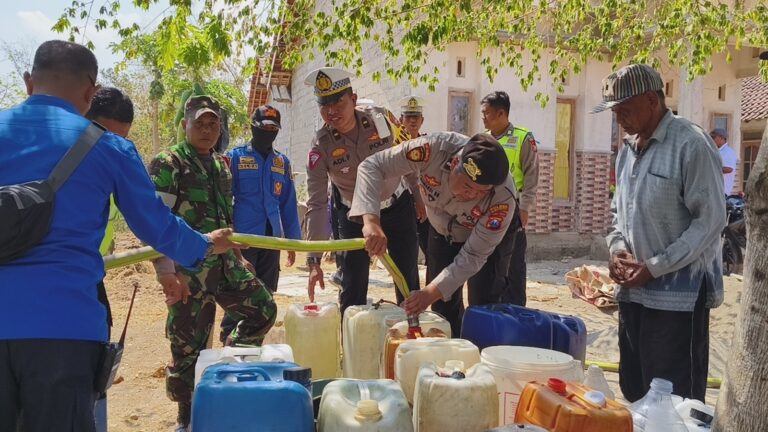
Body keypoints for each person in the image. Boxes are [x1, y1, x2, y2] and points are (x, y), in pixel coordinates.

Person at [0, 40, 242, 432]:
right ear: (90, 93)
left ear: (29, 82)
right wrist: (207, 243)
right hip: (64, 327)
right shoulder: (108, 148)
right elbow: (155, 225)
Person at [593, 63, 725, 402]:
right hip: (634, 296)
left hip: (678, 301)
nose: (619, 118)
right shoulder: (628, 151)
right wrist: (618, 250)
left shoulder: (691, 144)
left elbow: (710, 222)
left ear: (652, 99)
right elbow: (618, 212)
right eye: (614, 111)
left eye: (625, 109)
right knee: (635, 389)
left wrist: (655, 266)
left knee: (673, 399)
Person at [149, 95, 277, 432]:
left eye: (213, 123)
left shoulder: (221, 164)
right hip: (188, 270)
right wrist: (167, 273)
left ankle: (228, 369)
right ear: (185, 124)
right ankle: (186, 416)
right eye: (199, 123)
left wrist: (238, 256)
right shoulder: (169, 162)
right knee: (187, 344)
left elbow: (226, 216)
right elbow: (155, 221)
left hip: (225, 264)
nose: (207, 130)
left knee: (263, 309)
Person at [350, 132, 519, 335]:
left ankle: (482, 357)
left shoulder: (502, 198)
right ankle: (450, 358)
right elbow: (372, 165)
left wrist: (429, 293)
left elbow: (473, 256)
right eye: (467, 185)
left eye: (480, 192)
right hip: (442, 228)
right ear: (455, 162)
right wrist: (371, 220)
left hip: (485, 241)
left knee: (485, 306)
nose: (471, 195)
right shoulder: (432, 150)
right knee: (442, 306)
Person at [303, 67, 420, 314]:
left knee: (407, 280)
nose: (331, 111)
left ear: (354, 100)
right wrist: (313, 259)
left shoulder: (381, 119)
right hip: (353, 217)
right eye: (324, 105)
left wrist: (418, 196)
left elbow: (406, 155)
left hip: (396, 208)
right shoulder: (320, 145)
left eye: (338, 102)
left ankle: (410, 340)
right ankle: (350, 344)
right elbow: (316, 203)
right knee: (353, 284)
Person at [84, 85, 135, 429]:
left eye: (119, 140)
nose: (111, 148)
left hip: (91, 272)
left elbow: (143, 218)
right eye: (104, 135)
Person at [480, 90, 538, 306]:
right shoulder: (483, 139)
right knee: (489, 263)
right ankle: (492, 308)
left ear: (501, 114)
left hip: (513, 210)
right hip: (487, 210)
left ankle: (515, 311)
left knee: (513, 265)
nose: (483, 117)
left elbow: (532, 174)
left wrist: (525, 208)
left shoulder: (522, 137)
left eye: (486, 113)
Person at [399, 95, 432, 258]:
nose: (412, 121)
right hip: (400, 204)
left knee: (431, 250)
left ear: (422, 120)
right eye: (408, 117)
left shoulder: (429, 145)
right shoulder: (393, 145)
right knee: (404, 253)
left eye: (416, 117)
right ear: (401, 119)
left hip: (425, 203)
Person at [710, 127, 738, 195]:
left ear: (722, 138)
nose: (711, 140)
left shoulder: (728, 152)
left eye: (713, 137)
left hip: (722, 190)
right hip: (713, 189)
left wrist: (710, 168)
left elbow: (729, 169)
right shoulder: (716, 151)